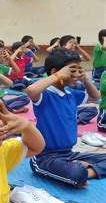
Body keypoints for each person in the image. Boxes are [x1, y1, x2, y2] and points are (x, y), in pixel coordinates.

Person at [25, 48, 106, 188]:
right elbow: (31, 90)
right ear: (55, 72)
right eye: (72, 71)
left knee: (79, 173)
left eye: (78, 70)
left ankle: (86, 171)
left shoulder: (70, 93)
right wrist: (58, 76)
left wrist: (85, 78)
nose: (76, 75)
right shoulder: (45, 95)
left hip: (69, 154)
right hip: (46, 158)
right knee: (76, 174)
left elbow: (96, 96)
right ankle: (81, 171)